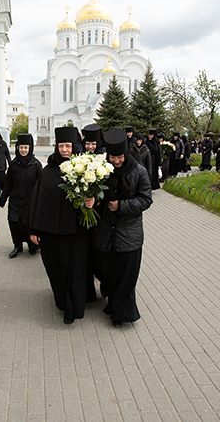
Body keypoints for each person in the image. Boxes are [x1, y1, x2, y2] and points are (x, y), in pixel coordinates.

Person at [86, 128, 152, 327]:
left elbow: (146, 199)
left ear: (127, 153)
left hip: (128, 234)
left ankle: (121, 315)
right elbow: (96, 192)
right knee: (105, 271)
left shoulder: (139, 171)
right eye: (112, 157)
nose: (116, 161)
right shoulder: (101, 171)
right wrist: (93, 201)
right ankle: (113, 302)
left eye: (120, 157)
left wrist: (121, 206)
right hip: (105, 233)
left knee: (125, 278)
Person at [25, 126, 89, 324]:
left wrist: (91, 201)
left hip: (76, 231)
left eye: (68, 146)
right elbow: (38, 200)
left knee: (75, 269)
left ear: (74, 147)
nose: (64, 150)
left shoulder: (84, 169)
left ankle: (74, 307)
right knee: (56, 269)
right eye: (61, 146)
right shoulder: (48, 171)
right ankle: (62, 300)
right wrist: (34, 230)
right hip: (52, 233)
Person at [0, 133, 42, 258]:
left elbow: (41, 186)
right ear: (17, 148)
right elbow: (8, 183)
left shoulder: (36, 165)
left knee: (28, 225)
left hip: (30, 203)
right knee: (14, 224)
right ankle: (17, 246)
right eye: (21, 147)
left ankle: (32, 245)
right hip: (15, 201)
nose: (23, 150)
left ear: (30, 148)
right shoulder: (13, 164)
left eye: (25, 147)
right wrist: (3, 199)